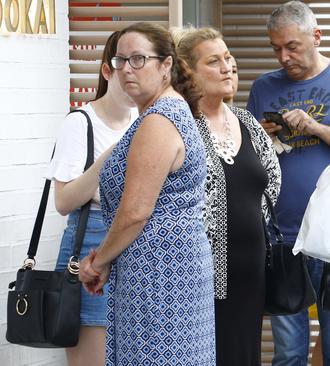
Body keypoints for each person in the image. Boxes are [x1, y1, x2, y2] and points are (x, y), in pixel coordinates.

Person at [78, 22, 215, 365]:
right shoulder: (169, 111)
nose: (126, 69)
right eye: (120, 60)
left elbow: (136, 210)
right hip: (168, 270)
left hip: (158, 275)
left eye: (138, 59)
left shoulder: (159, 120)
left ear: (166, 64)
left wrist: (98, 261)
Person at [246, 2, 330, 365]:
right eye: (276, 48)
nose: (284, 56)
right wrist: (261, 138)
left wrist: (313, 127)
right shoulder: (264, 87)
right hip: (282, 236)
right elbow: (249, 159)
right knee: (288, 354)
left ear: (316, 37)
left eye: (292, 46)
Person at [174, 26, 281, 365]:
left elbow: (272, 183)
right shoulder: (181, 125)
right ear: (188, 71)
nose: (228, 67)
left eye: (229, 58)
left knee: (244, 354)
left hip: (251, 271)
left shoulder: (248, 122)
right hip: (199, 272)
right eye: (214, 61)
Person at [46, 31, 137, 366]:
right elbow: (63, 201)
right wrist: (105, 163)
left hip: (132, 249)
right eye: (123, 65)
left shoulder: (142, 122)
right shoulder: (80, 123)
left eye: (140, 64)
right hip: (91, 249)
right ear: (106, 71)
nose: (132, 76)